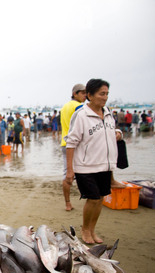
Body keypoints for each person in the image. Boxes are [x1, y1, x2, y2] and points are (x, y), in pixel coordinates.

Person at [65, 79, 117, 245]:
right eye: (102, 94)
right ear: (90, 95)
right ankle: (85, 229)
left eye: (107, 94)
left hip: (104, 164)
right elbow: (71, 142)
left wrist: (118, 134)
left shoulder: (108, 113)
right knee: (93, 199)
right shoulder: (81, 115)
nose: (105, 97)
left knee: (100, 198)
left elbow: (111, 132)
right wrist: (70, 170)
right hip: (85, 166)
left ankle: (92, 230)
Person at [60, 83, 86, 211]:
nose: (85, 96)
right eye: (83, 93)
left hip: (65, 143)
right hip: (76, 144)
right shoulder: (79, 107)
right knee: (81, 172)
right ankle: (85, 197)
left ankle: (67, 203)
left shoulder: (64, 107)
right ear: (75, 93)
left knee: (67, 173)